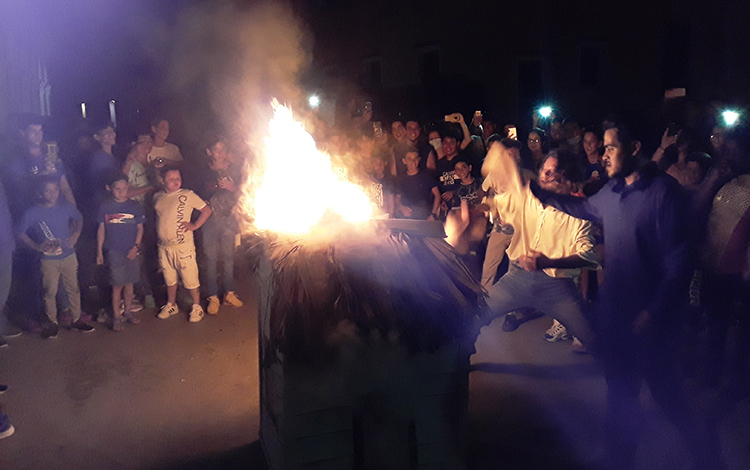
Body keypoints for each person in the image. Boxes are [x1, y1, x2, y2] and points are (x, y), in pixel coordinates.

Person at [531, 121, 724, 470]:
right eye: (602, 147)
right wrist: (543, 194)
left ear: (634, 148)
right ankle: (619, 459)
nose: (603, 155)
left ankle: (709, 458)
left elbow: (678, 265)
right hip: (618, 316)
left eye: (610, 147)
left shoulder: (664, 194)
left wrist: (652, 314)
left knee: (669, 398)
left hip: (651, 324)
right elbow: (585, 208)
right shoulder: (613, 190)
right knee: (620, 395)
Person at [477, 142, 599, 351]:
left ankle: (621, 380)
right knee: (471, 317)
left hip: (557, 286)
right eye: (544, 170)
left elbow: (589, 256)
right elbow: (494, 203)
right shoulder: (528, 197)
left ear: (569, 181)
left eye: (552, 172)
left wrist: (547, 261)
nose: (544, 175)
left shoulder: (578, 214)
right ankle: (456, 368)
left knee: (594, 340)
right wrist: (472, 213)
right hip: (515, 279)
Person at [16, 177, 94, 338]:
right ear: (40, 192)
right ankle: (52, 322)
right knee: (50, 291)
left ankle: (77, 319)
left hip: (68, 256)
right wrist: (36, 246)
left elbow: (79, 219)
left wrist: (76, 236)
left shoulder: (66, 208)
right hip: (48, 259)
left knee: (73, 288)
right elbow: (20, 232)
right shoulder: (33, 212)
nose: (52, 194)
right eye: (47, 190)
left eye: (55, 190)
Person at [154, 167, 212, 323]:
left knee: (189, 276)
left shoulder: (187, 195)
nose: (176, 181)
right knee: (169, 278)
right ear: (162, 181)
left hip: (183, 246)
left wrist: (194, 225)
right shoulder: (158, 197)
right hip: (164, 246)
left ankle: (196, 306)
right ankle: (171, 305)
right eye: (171, 178)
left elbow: (206, 210)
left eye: (178, 178)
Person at [199, 138, 243, 316]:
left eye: (222, 149)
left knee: (228, 257)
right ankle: (212, 297)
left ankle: (229, 293)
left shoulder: (234, 170)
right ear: (209, 152)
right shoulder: (203, 172)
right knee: (210, 258)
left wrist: (232, 188)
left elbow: (247, 191)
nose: (220, 153)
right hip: (209, 220)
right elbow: (194, 193)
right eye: (216, 150)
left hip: (229, 219)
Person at [96, 174, 145, 331]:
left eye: (124, 188)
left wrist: (136, 247)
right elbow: (101, 229)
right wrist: (99, 252)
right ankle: (117, 316)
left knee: (130, 283)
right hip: (114, 251)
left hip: (131, 251)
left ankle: (128, 311)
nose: (121, 192)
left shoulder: (134, 206)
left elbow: (140, 228)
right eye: (117, 189)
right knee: (117, 285)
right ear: (109, 189)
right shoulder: (105, 207)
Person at [394, 151, 440, 220]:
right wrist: (401, 207)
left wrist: (433, 215)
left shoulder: (426, 176)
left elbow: (437, 195)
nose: (413, 161)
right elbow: (397, 198)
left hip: (424, 218)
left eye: (415, 158)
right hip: (407, 218)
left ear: (419, 160)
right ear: (404, 161)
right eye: (410, 159)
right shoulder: (401, 178)